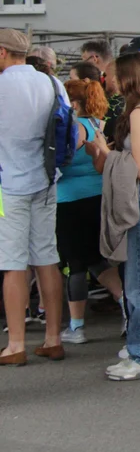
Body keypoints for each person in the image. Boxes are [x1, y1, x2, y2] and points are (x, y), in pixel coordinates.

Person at [84, 53, 140, 379]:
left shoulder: (138, 112)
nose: (108, 80)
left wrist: (105, 153)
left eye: (113, 75)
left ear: (128, 77)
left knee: (139, 282)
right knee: (139, 278)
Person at [0, 29, 67, 366]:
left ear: (2, 53)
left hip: (8, 184)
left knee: (12, 262)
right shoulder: (51, 83)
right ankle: (53, 338)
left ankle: (15, 343)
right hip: (46, 177)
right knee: (46, 256)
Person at [56, 78, 123, 344]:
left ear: (73, 102)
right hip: (97, 196)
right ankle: (126, 302)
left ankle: (76, 326)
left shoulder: (73, 127)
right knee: (96, 260)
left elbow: (60, 162)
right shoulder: (97, 124)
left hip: (70, 200)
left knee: (75, 265)